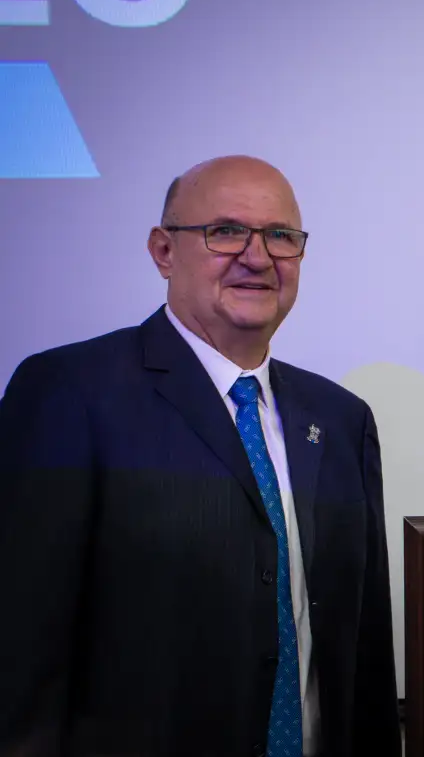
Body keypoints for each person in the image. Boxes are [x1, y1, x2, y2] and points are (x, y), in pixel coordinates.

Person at [0, 156, 402, 757]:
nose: (258, 256)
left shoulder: (342, 419)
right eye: (226, 231)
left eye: (281, 237)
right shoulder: (70, 392)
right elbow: (19, 647)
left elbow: (364, 653)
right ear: (164, 251)